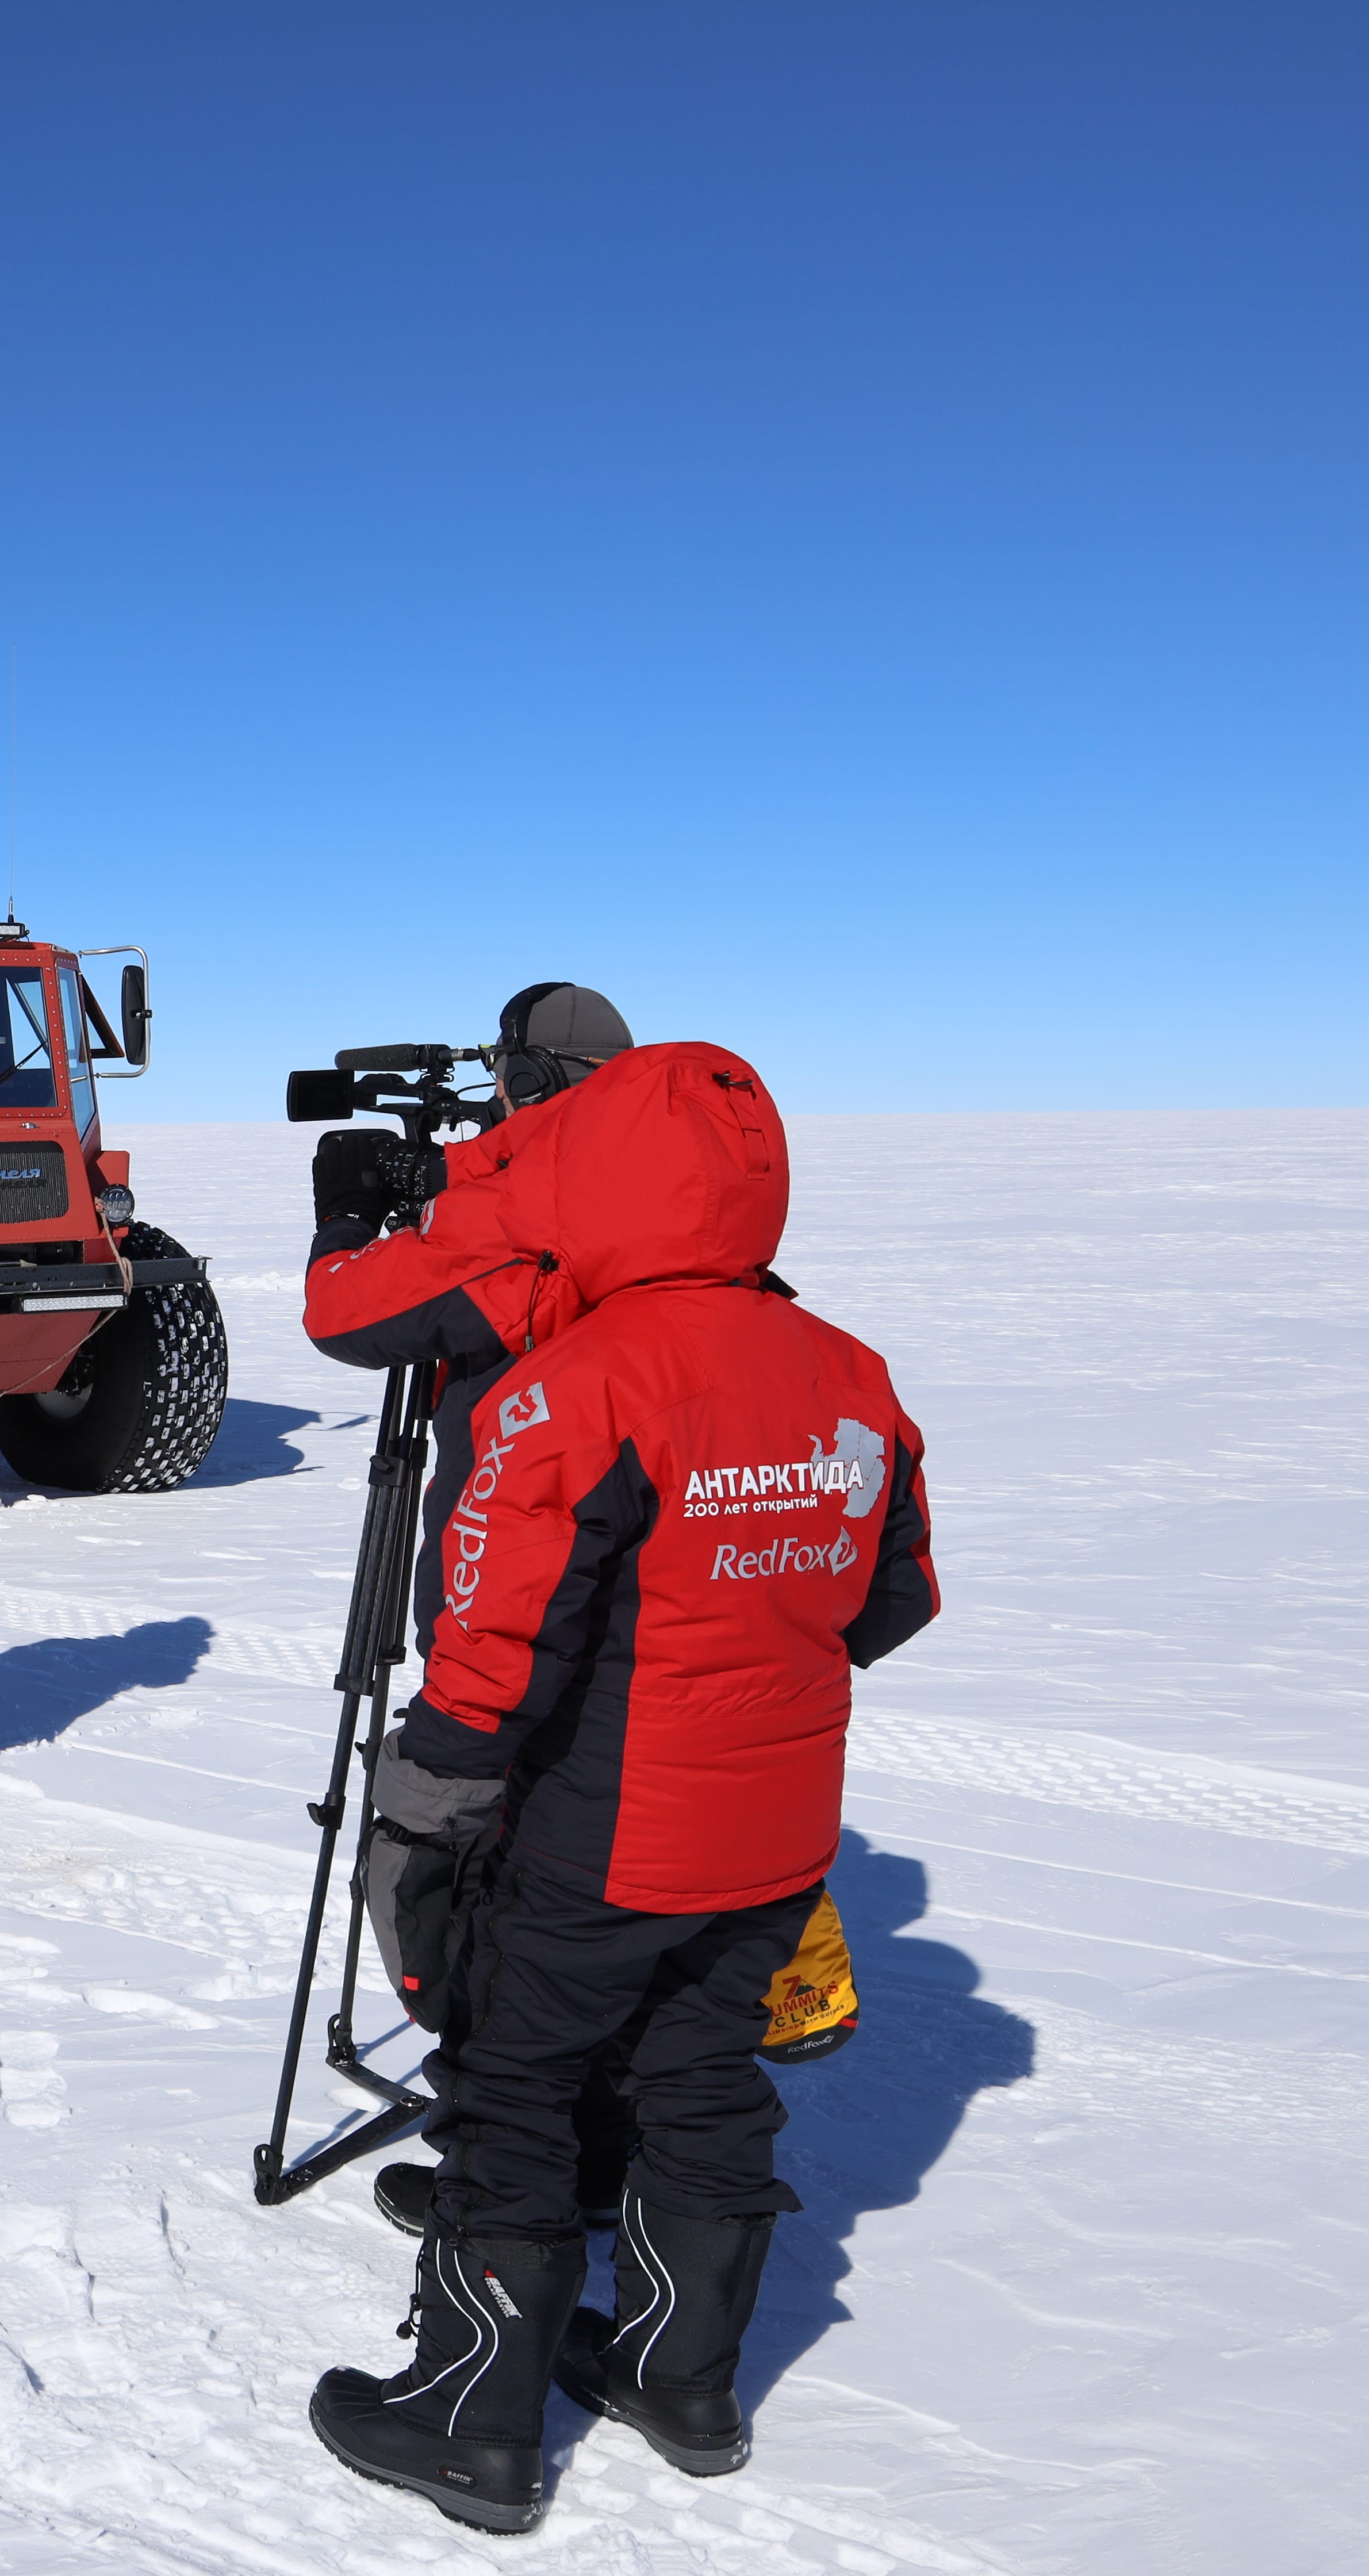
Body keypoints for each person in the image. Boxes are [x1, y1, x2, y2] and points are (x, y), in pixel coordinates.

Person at [298, 1037, 938, 2536]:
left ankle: (474, 2424)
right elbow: (892, 1599)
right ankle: (680, 2379)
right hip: (774, 1827)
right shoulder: (848, 1374)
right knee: (699, 2073)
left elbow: (494, 1654)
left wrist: (432, 1797)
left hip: (605, 1821)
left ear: (595, 1177)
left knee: (515, 2087)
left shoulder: (576, 1385)